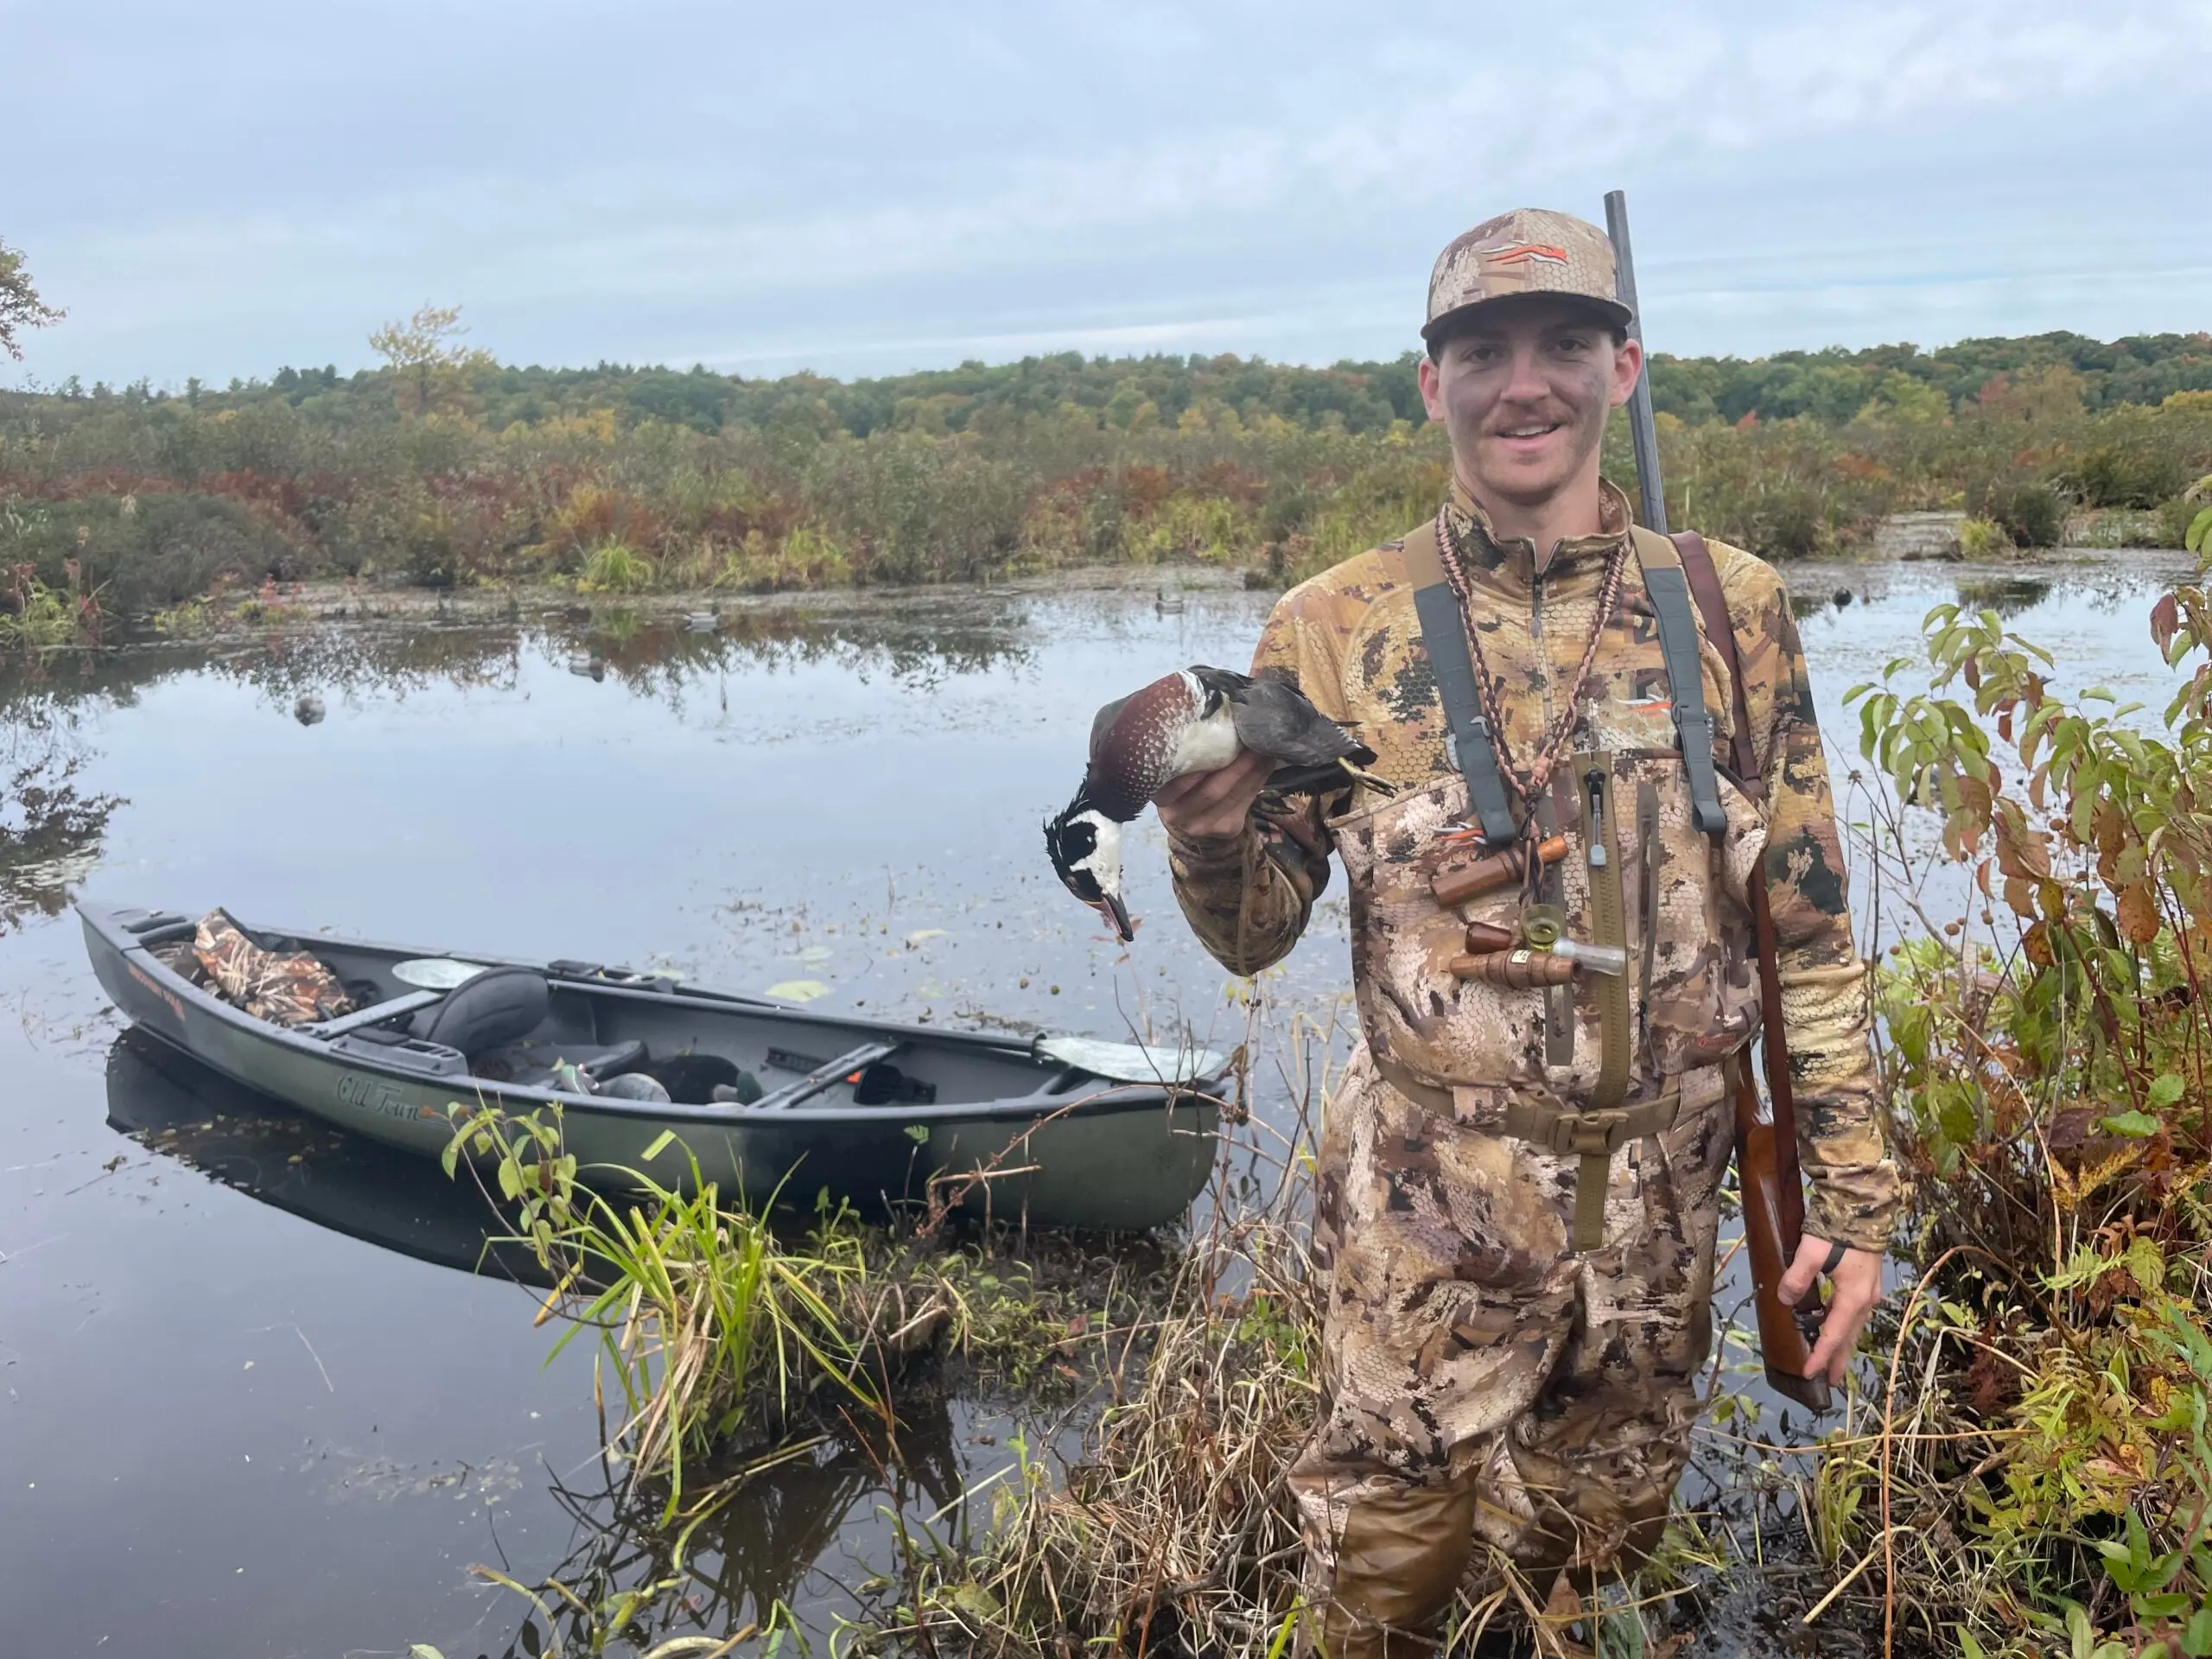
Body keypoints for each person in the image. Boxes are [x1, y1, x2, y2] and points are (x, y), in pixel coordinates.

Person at [1155, 207, 1899, 1655]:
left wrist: (1856, 1203)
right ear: (1429, 384)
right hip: (1436, 1205)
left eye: (1564, 344)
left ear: (1624, 365)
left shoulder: (1729, 604)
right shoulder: (1332, 626)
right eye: (1482, 351)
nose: (1525, 385)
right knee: (1385, 1555)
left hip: (1669, 1202)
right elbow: (1253, 939)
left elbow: (1806, 928)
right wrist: (1202, 830)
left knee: (1594, 1545)